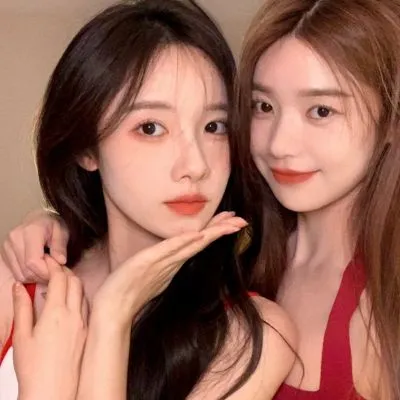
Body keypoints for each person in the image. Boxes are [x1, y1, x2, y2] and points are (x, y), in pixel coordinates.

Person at [0, 1, 297, 400]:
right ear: (87, 148)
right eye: (151, 128)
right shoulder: (18, 282)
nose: (195, 165)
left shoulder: (251, 338)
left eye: (214, 126)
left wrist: (114, 315)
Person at [236, 0, 400, 398]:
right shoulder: (232, 256)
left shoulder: (385, 308)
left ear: (391, 123)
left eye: (321, 111)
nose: (279, 144)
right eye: (264, 106)